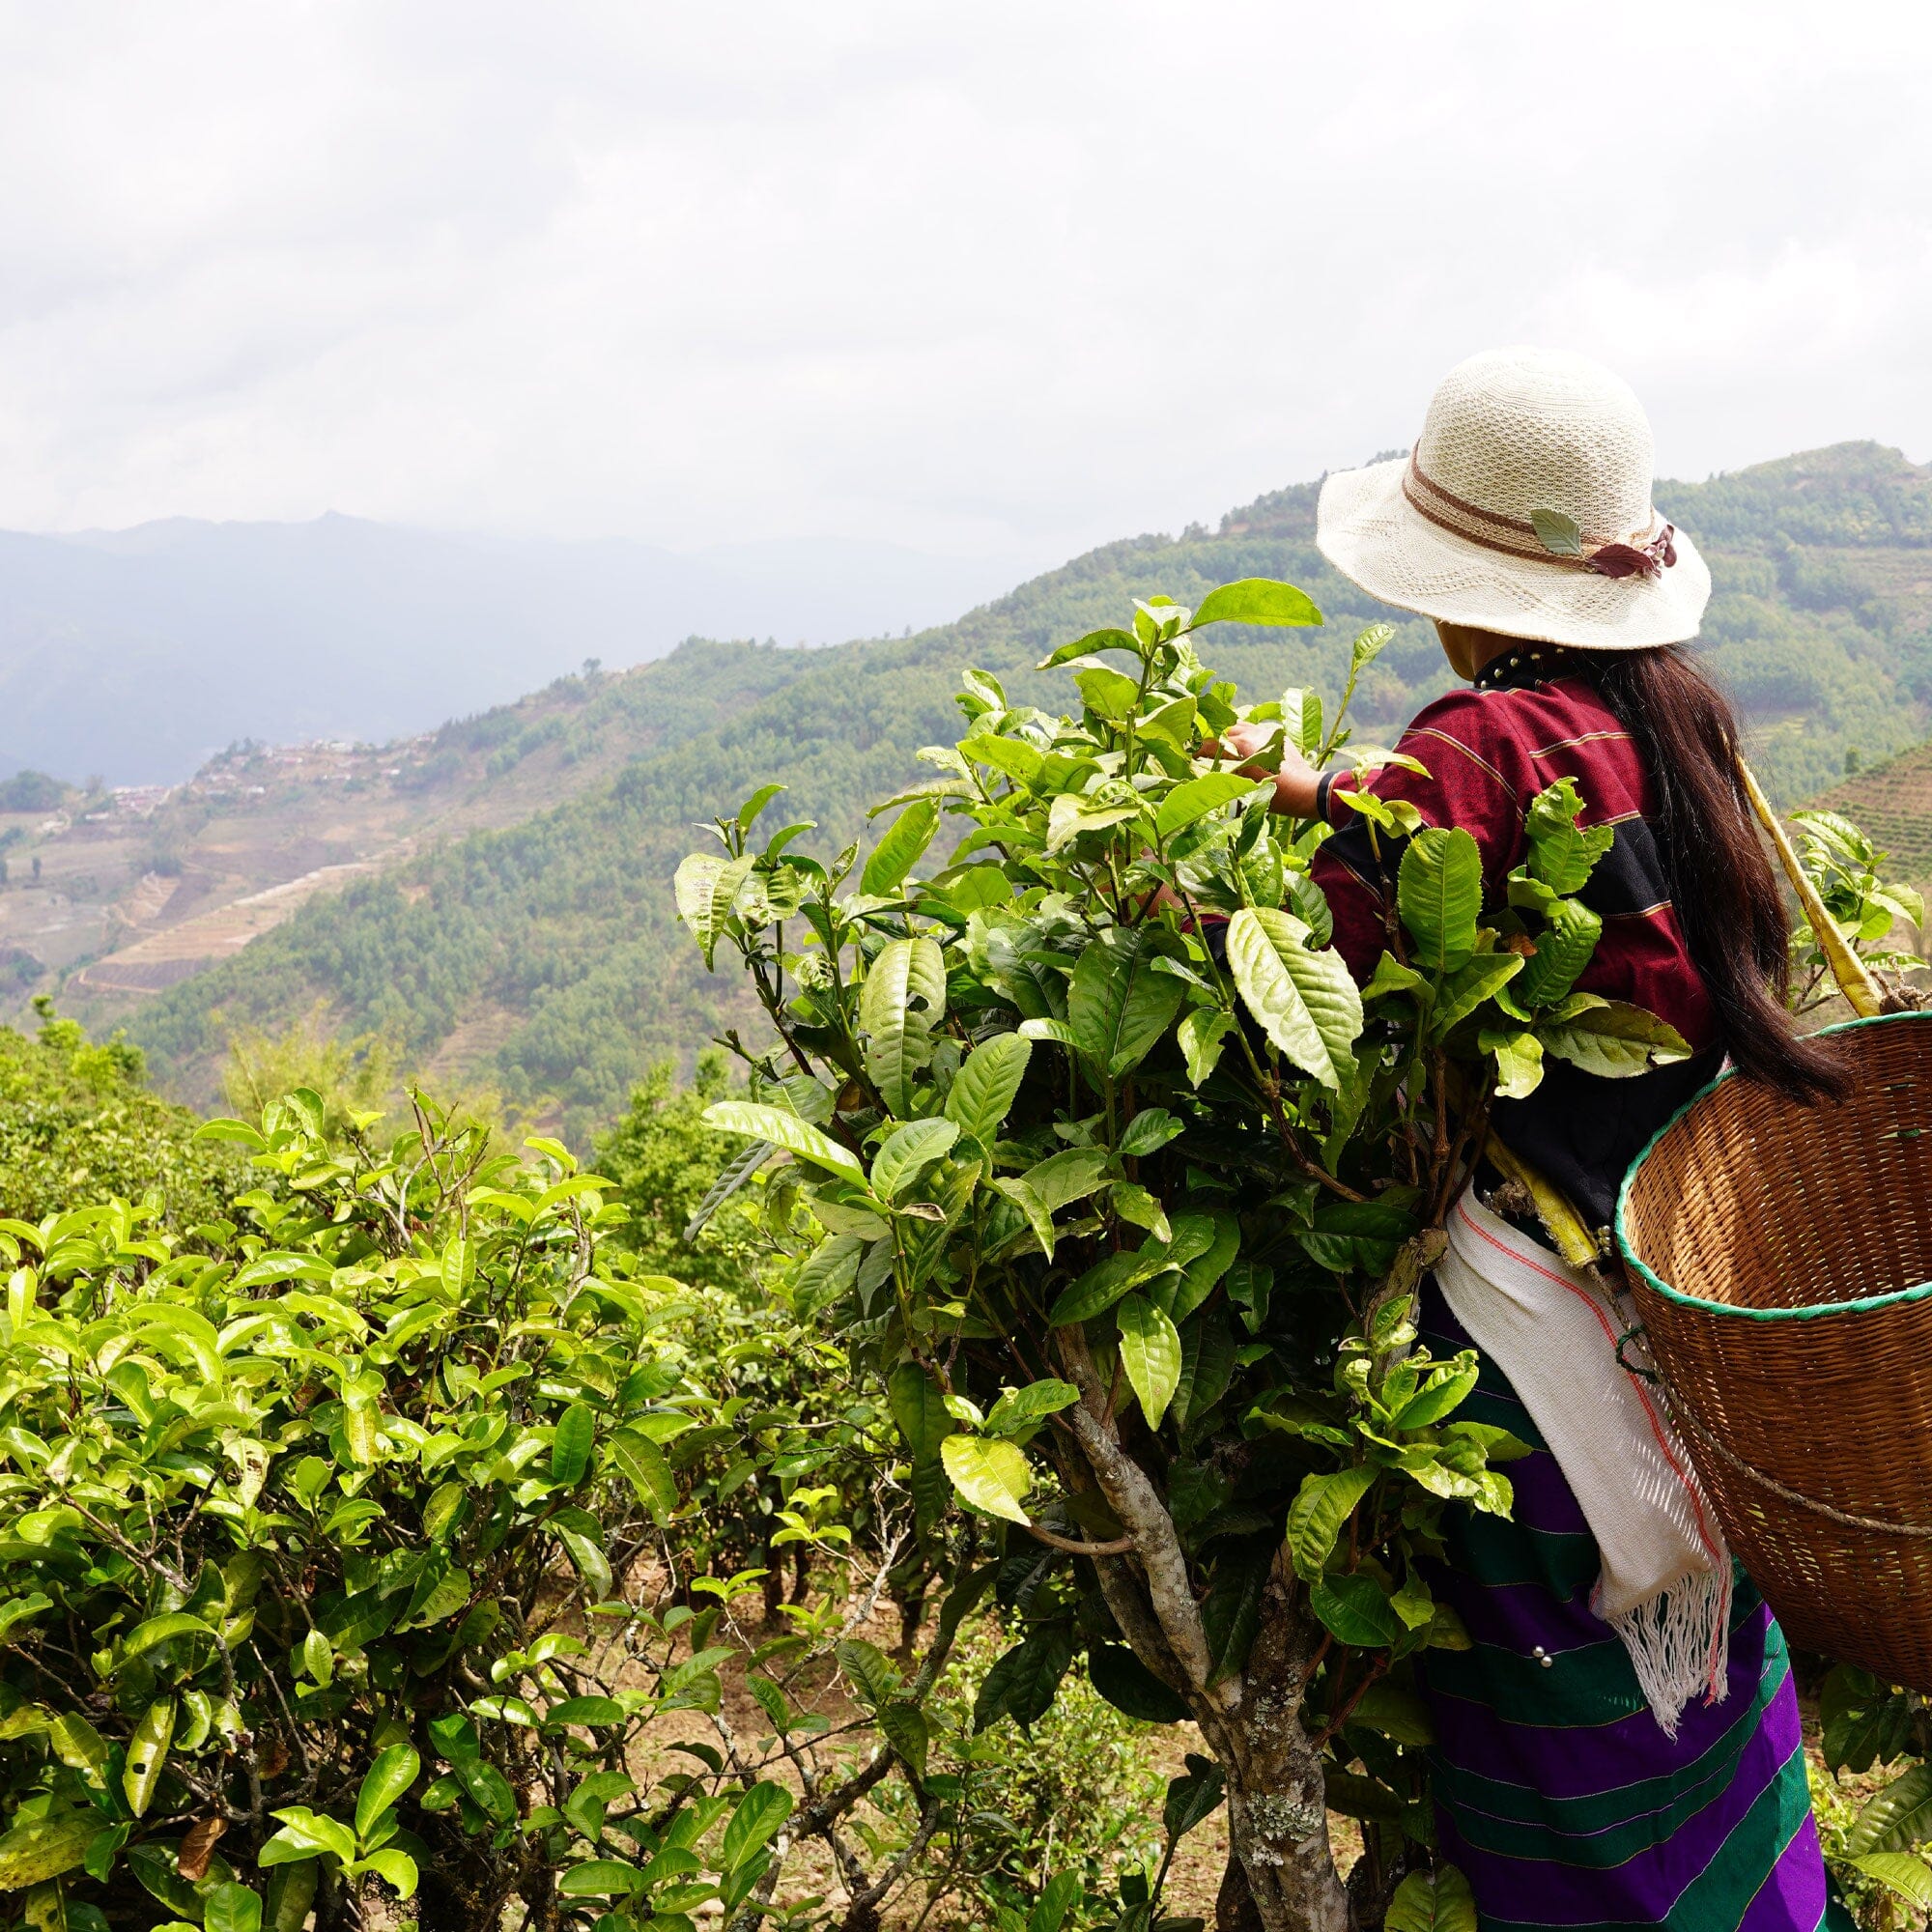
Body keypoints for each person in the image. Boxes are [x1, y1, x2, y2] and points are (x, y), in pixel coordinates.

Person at [1223, 348, 1851, 1932]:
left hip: (1539, 1329)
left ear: (1467, 587)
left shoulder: (1477, 745)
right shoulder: (1682, 715)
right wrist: (1323, 790)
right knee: (1716, 1718)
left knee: (1564, 1761)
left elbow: (1342, 970)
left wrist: (1195, 913)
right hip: (1694, 1291)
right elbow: (1506, 839)